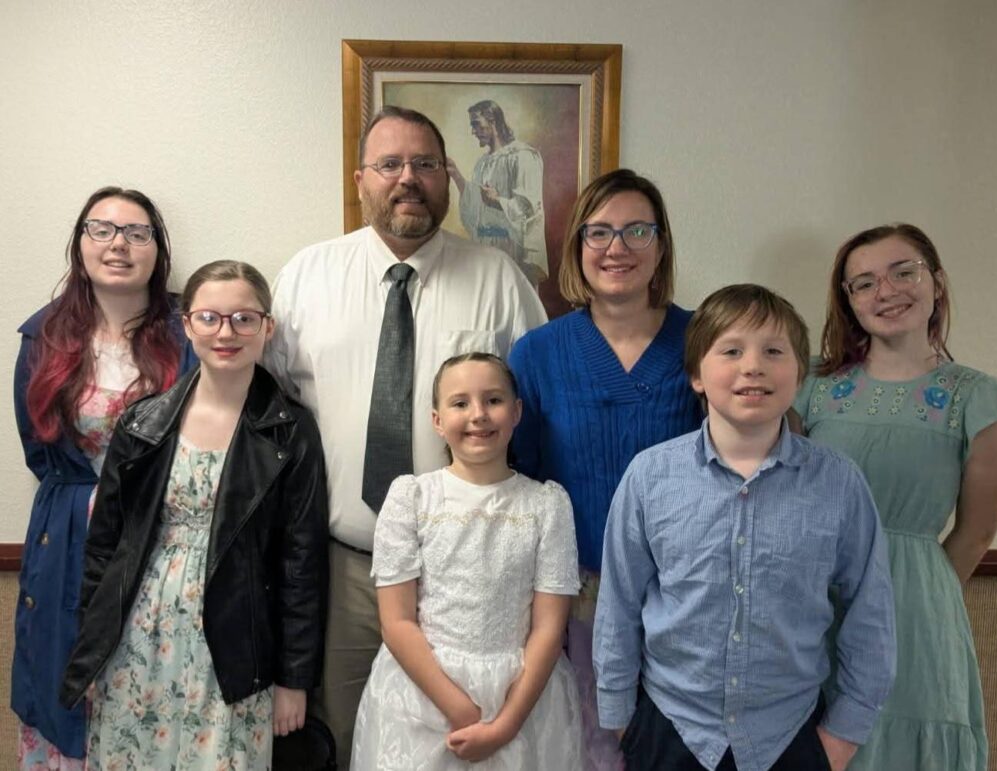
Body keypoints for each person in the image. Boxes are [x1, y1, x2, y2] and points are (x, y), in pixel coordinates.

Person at [265, 104, 547, 766]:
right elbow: (267, 406)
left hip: (469, 577)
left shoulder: (498, 279)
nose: (407, 178)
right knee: (345, 739)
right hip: (345, 567)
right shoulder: (307, 276)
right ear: (361, 178)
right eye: (389, 164)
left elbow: (536, 406)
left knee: (456, 744)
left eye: (424, 163)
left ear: (447, 176)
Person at [595, 284, 897, 771]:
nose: (753, 366)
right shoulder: (649, 477)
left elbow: (870, 612)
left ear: (799, 374)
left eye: (774, 351)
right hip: (670, 728)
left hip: (793, 734)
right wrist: (621, 719)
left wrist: (844, 734)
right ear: (696, 374)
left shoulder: (839, 483)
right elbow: (619, 603)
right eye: (731, 351)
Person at [59, 260, 329, 768]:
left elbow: (302, 565)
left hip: (237, 646)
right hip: (139, 634)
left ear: (267, 327)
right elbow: (104, 547)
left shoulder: (290, 432)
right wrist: (90, 652)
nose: (226, 333)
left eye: (244, 319)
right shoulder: (143, 423)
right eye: (209, 317)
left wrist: (295, 680)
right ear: (187, 325)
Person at [793, 224, 997, 770]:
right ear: (849, 301)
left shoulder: (982, 400)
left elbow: (976, 535)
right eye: (865, 282)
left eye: (904, 272)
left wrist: (905, 597)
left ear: (937, 283)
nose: (887, 291)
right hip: (813, 600)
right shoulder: (809, 386)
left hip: (916, 610)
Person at [508, 168, 703, 768]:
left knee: (679, 747)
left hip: (686, 593)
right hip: (577, 598)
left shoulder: (705, 342)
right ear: (578, 246)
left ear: (661, 245)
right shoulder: (536, 354)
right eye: (599, 232)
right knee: (591, 747)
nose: (617, 247)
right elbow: (520, 485)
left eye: (637, 230)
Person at [12, 186, 196, 768]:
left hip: (162, 535)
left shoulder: (189, 332)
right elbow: (38, 446)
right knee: (67, 677)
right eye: (102, 229)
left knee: (154, 678)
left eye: (137, 233)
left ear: (158, 250)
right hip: (68, 534)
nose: (119, 244)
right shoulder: (43, 337)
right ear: (80, 244)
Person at [350, 352, 581, 769]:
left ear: (516, 412)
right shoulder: (411, 499)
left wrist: (505, 725)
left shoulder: (547, 505)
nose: (478, 414)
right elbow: (397, 622)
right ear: (437, 420)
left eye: (493, 400)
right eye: (460, 403)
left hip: (522, 698)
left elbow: (549, 627)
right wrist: (460, 710)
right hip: (423, 696)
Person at [448, 99, 548, 287]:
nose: (473, 131)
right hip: (488, 249)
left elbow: (529, 208)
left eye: (476, 124)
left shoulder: (523, 155)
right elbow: (475, 211)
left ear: (492, 120)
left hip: (513, 250)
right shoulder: (482, 163)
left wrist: (498, 201)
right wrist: (457, 176)